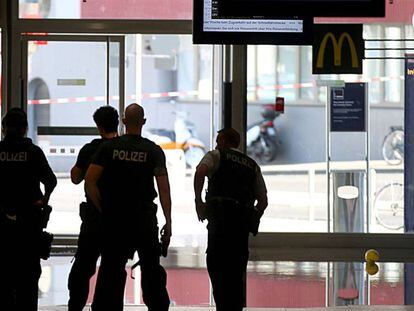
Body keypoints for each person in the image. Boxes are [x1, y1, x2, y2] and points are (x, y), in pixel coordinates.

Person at [85, 103, 171, 311]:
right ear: (143, 122)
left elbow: (90, 181)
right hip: (144, 219)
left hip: (116, 219)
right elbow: (164, 191)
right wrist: (168, 222)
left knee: (111, 270)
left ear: (124, 121)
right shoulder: (153, 150)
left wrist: (102, 208)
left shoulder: (108, 148)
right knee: (151, 270)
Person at [194, 127, 268, 311]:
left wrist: (199, 201)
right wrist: (253, 216)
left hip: (219, 222)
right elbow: (263, 200)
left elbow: (200, 171)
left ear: (225, 142)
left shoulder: (216, 156)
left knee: (217, 267)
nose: (217, 144)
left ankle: (222, 306)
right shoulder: (252, 165)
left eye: (219, 140)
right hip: (240, 226)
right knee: (236, 272)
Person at [0, 108, 57, 311]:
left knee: (4, 277)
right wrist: (43, 200)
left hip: (2, 224)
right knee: (29, 277)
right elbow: (51, 180)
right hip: (28, 223)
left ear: (4, 128)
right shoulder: (33, 153)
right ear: (25, 129)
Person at [67, 106, 119, 311]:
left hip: (94, 219)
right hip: (119, 219)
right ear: (118, 123)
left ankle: (76, 305)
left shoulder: (91, 149)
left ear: (98, 126)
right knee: (112, 267)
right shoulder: (124, 148)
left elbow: (75, 178)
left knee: (83, 265)